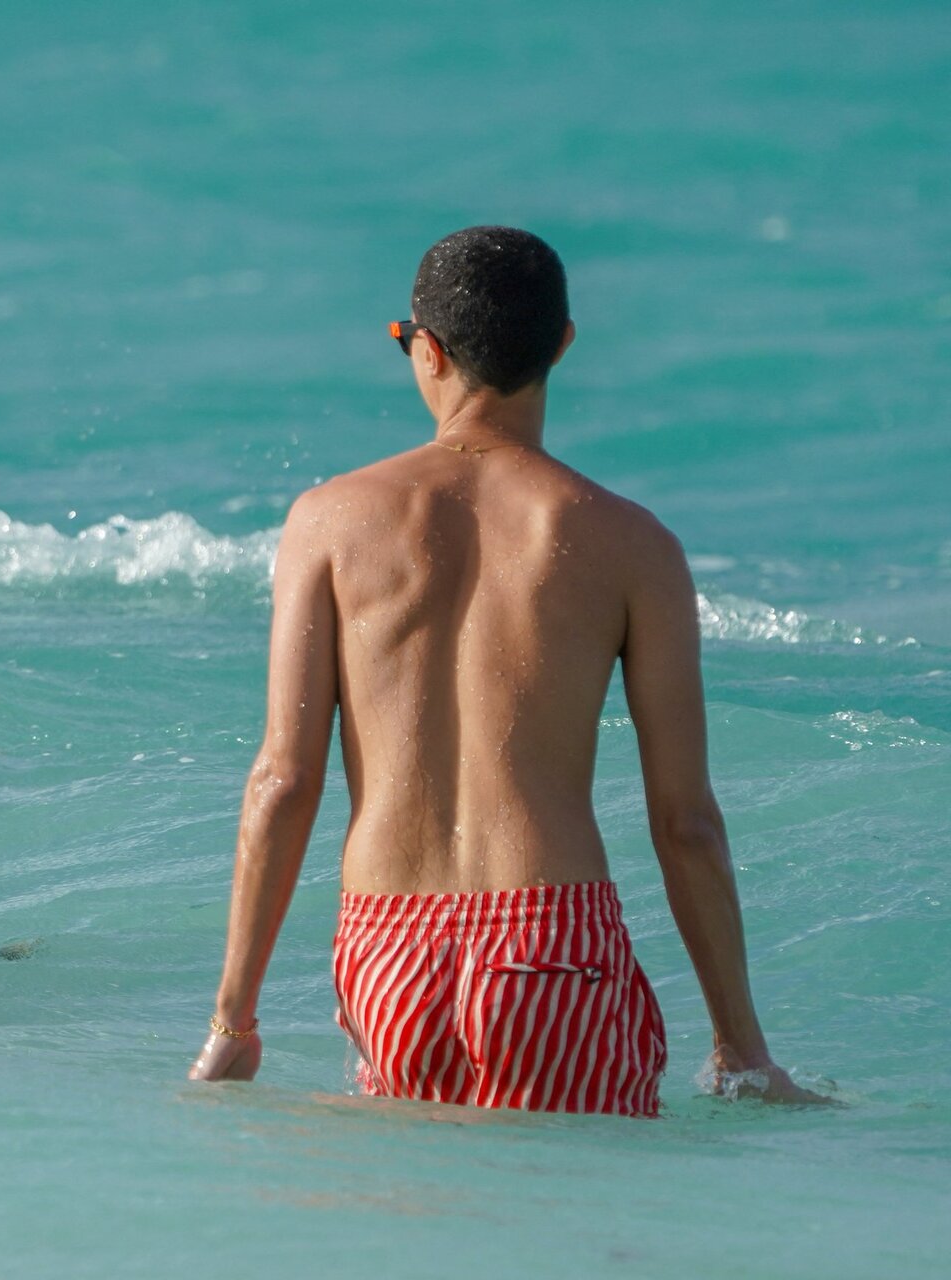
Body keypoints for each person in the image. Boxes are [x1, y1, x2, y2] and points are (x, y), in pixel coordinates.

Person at [189, 226, 821, 1114]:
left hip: (389, 951)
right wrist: (741, 1048)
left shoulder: (326, 522)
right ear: (562, 344)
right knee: (577, 1190)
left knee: (418, 1191)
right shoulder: (633, 545)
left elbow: (283, 781)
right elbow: (686, 823)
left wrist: (233, 1022)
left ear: (429, 350)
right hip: (552, 943)